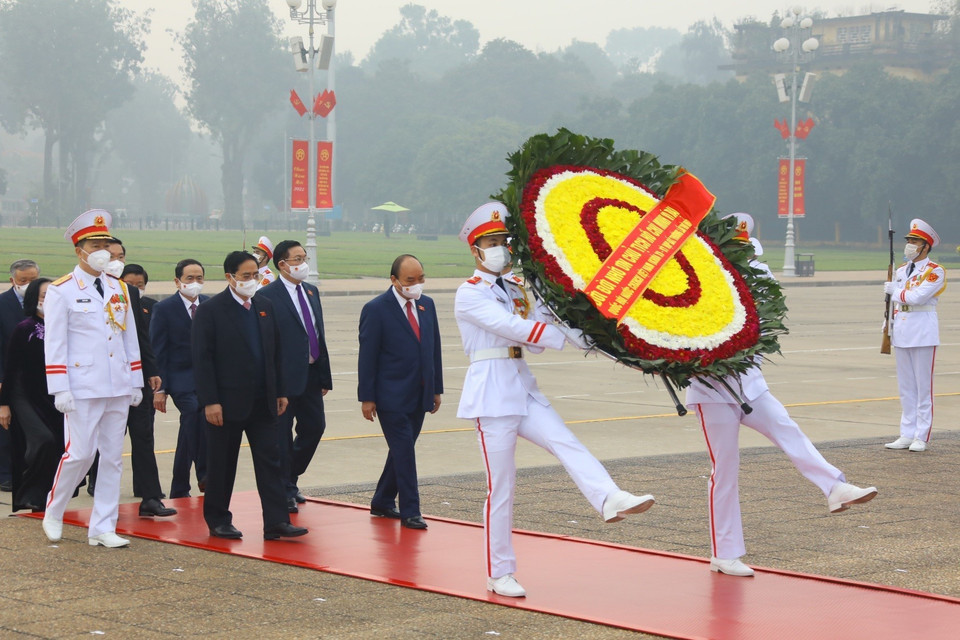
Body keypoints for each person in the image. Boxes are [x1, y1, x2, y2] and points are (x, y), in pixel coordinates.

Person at [454, 202, 655, 598]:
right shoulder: (468, 294)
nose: (499, 248)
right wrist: (554, 333)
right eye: (490, 242)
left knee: (567, 441)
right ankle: (499, 572)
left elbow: (551, 322)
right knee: (502, 487)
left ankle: (610, 498)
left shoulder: (516, 288)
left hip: (522, 386)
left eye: (502, 241)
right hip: (492, 395)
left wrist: (609, 345)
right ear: (475, 251)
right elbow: (512, 327)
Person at [686, 213, 877, 577]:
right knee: (725, 471)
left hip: (749, 383)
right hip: (712, 391)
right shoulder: (698, 280)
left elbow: (767, 315)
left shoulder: (752, 275)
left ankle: (834, 487)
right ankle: (723, 553)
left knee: (787, 428)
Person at [42, 209, 143, 548]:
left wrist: (136, 380)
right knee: (80, 454)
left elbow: (128, 337)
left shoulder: (119, 288)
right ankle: (54, 511)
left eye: (106, 243)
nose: (103, 250)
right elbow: (56, 343)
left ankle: (102, 525)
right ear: (79, 250)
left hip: (116, 383)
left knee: (112, 457)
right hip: (82, 385)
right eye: (96, 244)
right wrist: (59, 388)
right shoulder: (62, 290)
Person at [192, 251, 306, 541]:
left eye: (255, 275)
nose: (251, 280)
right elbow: (202, 359)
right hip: (225, 404)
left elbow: (274, 353)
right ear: (230, 277)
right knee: (222, 463)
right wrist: (210, 401)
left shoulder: (264, 306)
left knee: (271, 461)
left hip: (263, 401)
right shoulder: (211, 310)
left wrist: (280, 391)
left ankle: (277, 521)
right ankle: (218, 519)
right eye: (245, 276)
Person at [86, 241, 174, 518]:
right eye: (110, 256)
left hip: (132, 377)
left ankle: (150, 497)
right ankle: (96, 486)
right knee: (102, 439)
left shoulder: (128, 293)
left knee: (143, 437)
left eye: (120, 256)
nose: (116, 260)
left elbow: (139, 337)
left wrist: (151, 371)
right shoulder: (83, 290)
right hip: (98, 378)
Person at [358, 254, 443, 530]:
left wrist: (436, 388)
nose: (416, 285)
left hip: (420, 394)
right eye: (410, 280)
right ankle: (411, 510)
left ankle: (382, 500)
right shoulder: (376, 309)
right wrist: (367, 397)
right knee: (405, 452)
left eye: (420, 279)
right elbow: (367, 357)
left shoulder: (426, 305)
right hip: (390, 395)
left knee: (400, 451)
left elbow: (434, 350)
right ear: (394, 280)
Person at [257, 241, 332, 512]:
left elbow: (317, 334)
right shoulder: (267, 296)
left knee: (314, 428)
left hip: (311, 374)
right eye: (297, 259)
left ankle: (290, 477)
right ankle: (284, 489)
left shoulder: (311, 292)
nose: (303, 263)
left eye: (304, 257)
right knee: (281, 437)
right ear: (282, 265)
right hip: (283, 379)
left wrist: (324, 375)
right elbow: (266, 343)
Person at [0, 278, 64, 512]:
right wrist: (3, 403)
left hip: (54, 395)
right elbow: (11, 368)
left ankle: (45, 496)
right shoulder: (25, 328)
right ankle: (28, 491)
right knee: (42, 440)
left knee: (57, 445)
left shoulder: (66, 327)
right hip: (23, 394)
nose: (49, 300)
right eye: (45, 295)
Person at [883, 218, 946, 453]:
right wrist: (887, 322)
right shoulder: (901, 270)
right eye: (908, 240)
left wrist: (895, 291)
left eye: (915, 241)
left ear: (926, 246)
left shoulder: (934, 271)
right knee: (906, 387)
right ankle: (906, 433)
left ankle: (922, 435)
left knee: (923, 387)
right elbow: (895, 302)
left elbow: (918, 297)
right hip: (901, 328)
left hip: (923, 331)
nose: (909, 245)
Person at [151, 259, 209, 498]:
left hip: (206, 378)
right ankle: (205, 474)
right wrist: (160, 389)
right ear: (177, 281)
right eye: (189, 279)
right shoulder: (164, 309)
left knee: (193, 426)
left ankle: (180, 488)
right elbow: (158, 350)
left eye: (199, 278)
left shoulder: (209, 305)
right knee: (194, 411)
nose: (194, 283)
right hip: (179, 378)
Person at [0, 259, 40, 491]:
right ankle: (6, 473)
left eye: (33, 280)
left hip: (39, 376)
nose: (29, 285)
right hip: (9, 375)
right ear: (12, 280)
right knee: (7, 426)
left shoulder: (48, 302)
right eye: (23, 281)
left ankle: (30, 470)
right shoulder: (3, 304)